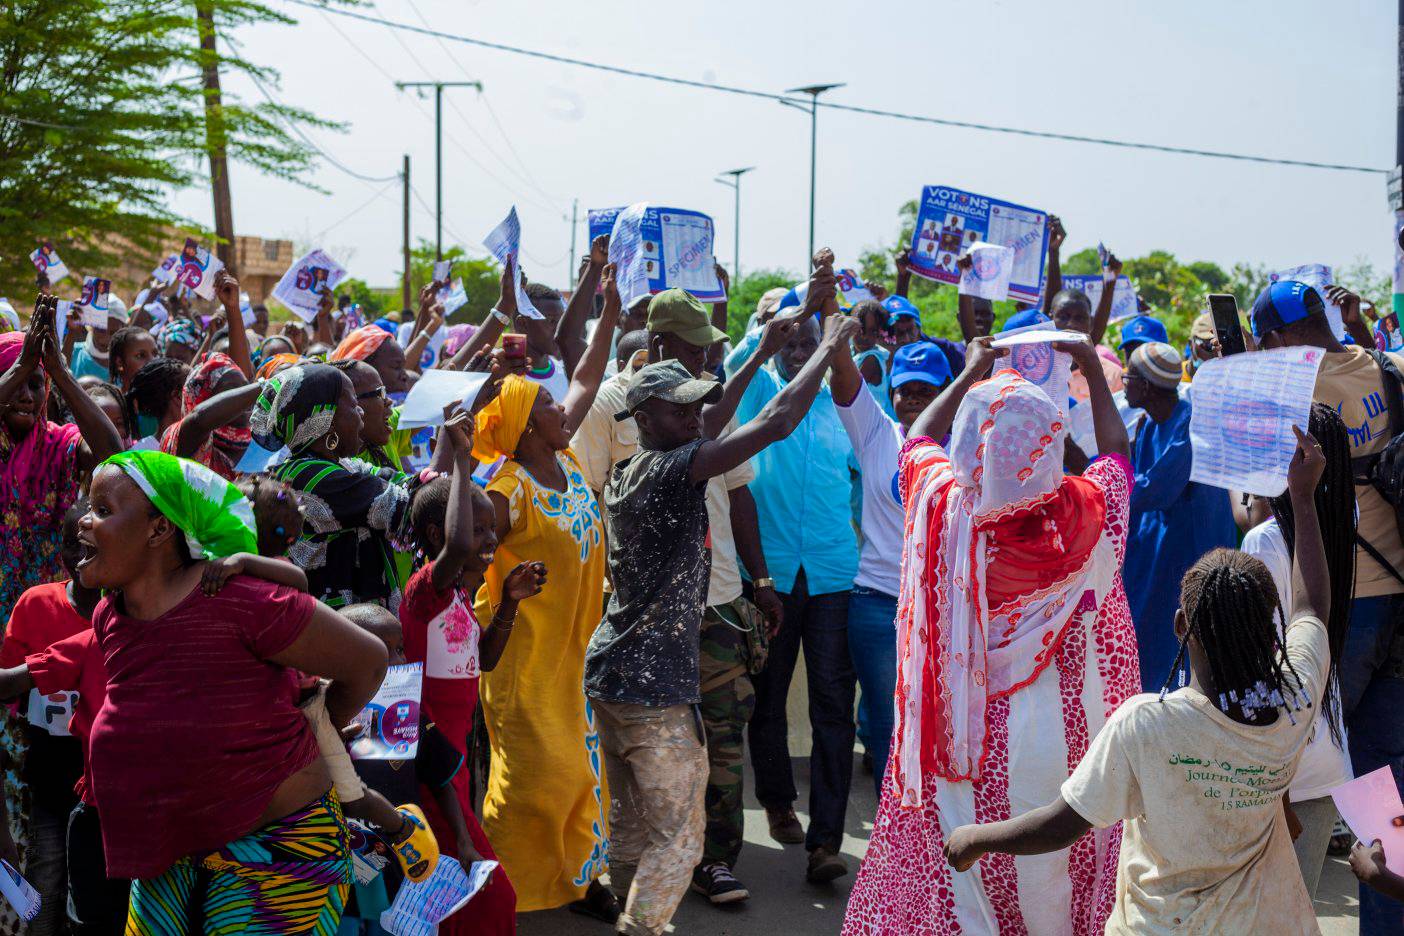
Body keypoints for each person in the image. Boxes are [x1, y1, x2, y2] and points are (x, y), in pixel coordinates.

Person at [942, 428, 1331, 935]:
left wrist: (978, 837)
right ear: (1268, 627)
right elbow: (1311, 608)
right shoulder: (1294, 698)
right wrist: (1302, 496)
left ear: (1179, 626)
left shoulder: (1148, 725)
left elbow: (1063, 823)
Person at [843, 335, 1140, 934]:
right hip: (1065, 736)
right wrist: (1088, 360)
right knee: (1054, 876)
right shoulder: (1086, 514)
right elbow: (1117, 453)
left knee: (969, 887)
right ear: (1050, 445)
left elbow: (918, 437)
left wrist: (970, 371)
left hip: (962, 737)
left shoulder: (939, 506)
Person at [587, 309, 861, 936]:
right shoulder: (669, 472)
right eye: (679, 410)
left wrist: (762, 350)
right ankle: (644, 927)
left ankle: (632, 913)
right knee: (682, 837)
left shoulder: (639, 466)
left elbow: (709, 416)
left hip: (613, 678)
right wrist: (833, 344)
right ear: (645, 421)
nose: (693, 418)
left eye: (694, 411)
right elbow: (778, 420)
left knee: (630, 831)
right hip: (652, 690)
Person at [77, 449, 388, 931]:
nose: (82, 522)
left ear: (160, 530)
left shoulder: (240, 600)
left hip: (279, 849)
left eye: (101, 510)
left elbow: (368, 662)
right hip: (170, 858)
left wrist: (317, 724)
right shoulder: (110, 618)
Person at [573, 282, 783, 906]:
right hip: (646, 641)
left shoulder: (690, 410)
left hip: (696, 616)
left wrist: (760, 581)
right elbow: (585, 492)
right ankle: (647, 898)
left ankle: (698, 872)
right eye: (697, 346)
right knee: (663, 802)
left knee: (711, 751)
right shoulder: (640, 428)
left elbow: (732, 468)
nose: (707, 358)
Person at [1252, 279, 1404, 931]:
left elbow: (1261, 496)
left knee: (1294, 771)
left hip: (1340, 607)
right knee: (1385, 786)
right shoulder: (1391, 370)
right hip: (1401, 600)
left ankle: (1278, 918)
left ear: (1282, 338)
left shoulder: (1291, 390)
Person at [471, 263, 619, 918]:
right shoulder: (505, 494)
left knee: (585, 772)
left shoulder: (561, 457)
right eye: (550, 407)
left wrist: (609, 308)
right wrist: (504, 596)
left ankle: (582, 880)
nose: (565, 408)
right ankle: (496, 891)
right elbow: (461, 557)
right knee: (533, 782)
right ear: (528, 426)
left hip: (578, 654)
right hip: (526, 663)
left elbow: (585, 372)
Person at [726, 285, 860, 880]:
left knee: (835, 704)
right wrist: (780, 324)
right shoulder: (759, 389)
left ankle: (826, 840)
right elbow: (733, 367)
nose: (802, 352)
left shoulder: (848, 401)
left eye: (814, 342)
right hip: (771, 575)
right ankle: (780, 805)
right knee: (769, 697)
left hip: (833, 574)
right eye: (793, 343)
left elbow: (871, 476)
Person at [396, 407, 535, 935]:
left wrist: (510, 603)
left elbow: (484, 659)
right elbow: (455, 546)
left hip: (454, 767)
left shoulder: (458, 596)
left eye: (491, 530)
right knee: (489, 896)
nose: (489, 542)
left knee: (451, 900)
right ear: (439, 531)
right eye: (478, 530)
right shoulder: (424, 591)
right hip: (429, 770)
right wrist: (461, 458)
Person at [1241, 402, 1355, 899]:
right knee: (1301, 910)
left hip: (1280, 764)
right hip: (1326, 749)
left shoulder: (1264, 541)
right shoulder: (1342, 520)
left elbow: (1260, 659)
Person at [828, 338, 951, 796]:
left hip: (940, 609)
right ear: (891, 393)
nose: (915, 399)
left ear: (948, 392)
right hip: (877, 607)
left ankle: (933, 827)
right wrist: (832, 315)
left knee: (937, 719)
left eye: (927, 390)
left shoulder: (966, 447)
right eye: (905, 389)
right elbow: (843, 374)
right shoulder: (876, 432)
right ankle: (894, 828)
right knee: (888, 720)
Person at [0, 502, 94, 936]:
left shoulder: (129, 614)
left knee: (91, 893)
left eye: (94, 547)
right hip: (48, 779)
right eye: (76, 548)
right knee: (47, 877)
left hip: (101, 786)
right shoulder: (37, 604)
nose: (84, 559)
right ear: (62, 555)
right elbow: (8, 689)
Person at [1122, 341, 1238, 689]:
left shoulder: (1188, 425)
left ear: (1145, 386)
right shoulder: (1152, 424)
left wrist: (1088, 464)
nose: (1123, 382)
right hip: (1154, 559)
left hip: (1185, 556)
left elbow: (1151, 491)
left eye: (1129, 376)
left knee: (1178, 653)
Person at [0, 296, 124, 620]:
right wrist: (21, 366)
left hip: (44, 615)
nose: (26, 396)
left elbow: (112, 455)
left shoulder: (58, 442)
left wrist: (61, 372)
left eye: (35, 383)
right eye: (15, 382)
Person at [252, 363, 413, 611]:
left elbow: (401, 482)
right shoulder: (308, 475)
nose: (360, 411)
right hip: (337, 629)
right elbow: (406, 505)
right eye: (351, 403)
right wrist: (451, 447)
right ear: (325, 418)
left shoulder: (344, 466)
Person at [160, 351, 255, 479]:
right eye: (233, 391)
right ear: (203, 399)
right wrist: (266, 386)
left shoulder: (261, 442)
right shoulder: (182, 437)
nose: (245, 401)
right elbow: (199, 420)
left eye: (245, 387)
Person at [105, 326, 156, 394]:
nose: (152, 361)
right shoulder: (111, 403)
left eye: (155, 354)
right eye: (140, 355)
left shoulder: (167, 400)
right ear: (120, 362)